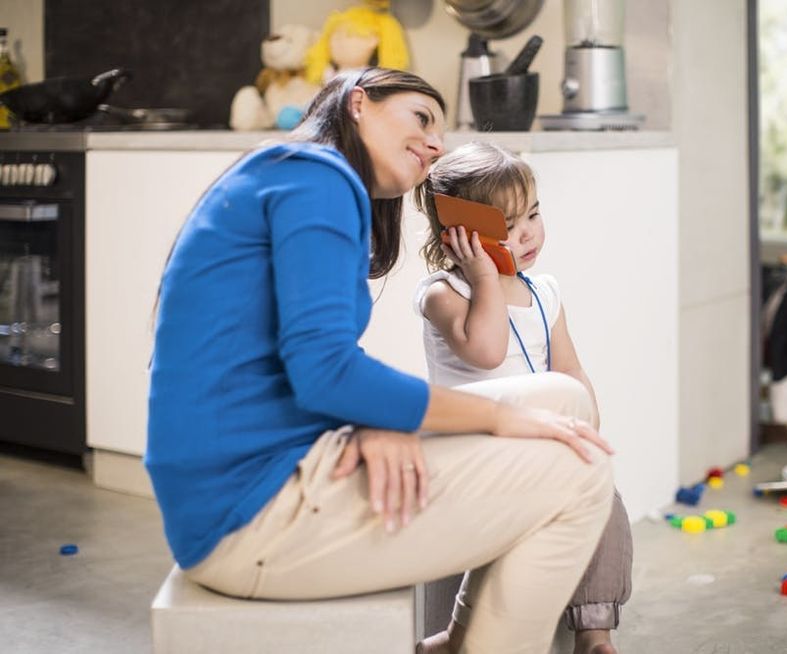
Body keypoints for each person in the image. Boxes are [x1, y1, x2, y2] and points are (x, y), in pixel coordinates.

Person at [145, 67, 614, 654]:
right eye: (421, 117)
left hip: (263, 475)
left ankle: (456, 644)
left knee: (563, 401)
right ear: (359, 104)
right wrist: (493, 420)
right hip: (250, 513)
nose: (436, 143)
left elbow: (310, 360)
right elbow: (326, 373)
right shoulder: (318, 179)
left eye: (440, 130)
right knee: (584, 472)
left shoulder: (291, 175)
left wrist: (369, 415)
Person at [413, 142, 632, 654]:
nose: (529, 232)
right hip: (469, 450)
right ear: (459, 237)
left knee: (602, 491)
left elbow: (570, 369)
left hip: (532, 444)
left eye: (533, 214)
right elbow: (487, 351)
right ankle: (458, 632)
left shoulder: (544, 292)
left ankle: (594, 631)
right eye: (509, 226)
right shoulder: (443, 294)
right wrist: (486, 275)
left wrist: (586, 425)